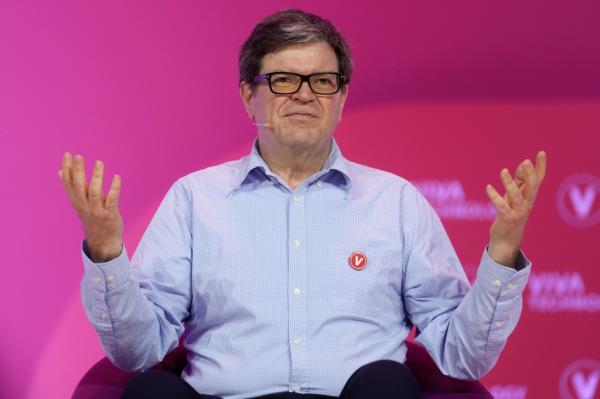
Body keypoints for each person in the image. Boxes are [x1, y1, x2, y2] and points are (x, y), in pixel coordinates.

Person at [58, 8, 547, 399]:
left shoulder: (394, 201)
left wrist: (502, 253)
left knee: (387, 384)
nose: (305, 95)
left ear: (341, 98)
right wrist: (106, 253)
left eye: (322, 81)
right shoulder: (194, 198)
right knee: (148, 390)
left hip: (356, 397)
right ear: (249, 96)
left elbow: (461, 357)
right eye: (284, 80)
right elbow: (137, 351)